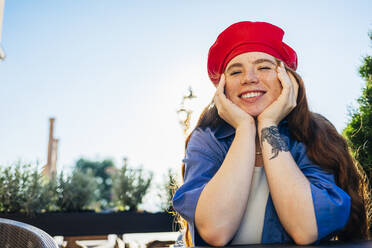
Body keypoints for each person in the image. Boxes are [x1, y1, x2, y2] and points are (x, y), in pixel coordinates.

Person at [172, 21, 370, 247]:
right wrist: (245, 129)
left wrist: (268, 125)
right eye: (236, 71)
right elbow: (215, 230)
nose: (249, 78)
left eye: (264, 67)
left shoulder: (316, 135)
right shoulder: (207, 139)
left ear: (286, 79)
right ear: (223, 88)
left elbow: (305, 228)